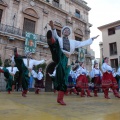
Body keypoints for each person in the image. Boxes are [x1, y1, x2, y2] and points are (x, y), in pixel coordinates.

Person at [47, 20, 99, 105]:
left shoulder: (73, 42)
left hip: (66, 59)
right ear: (63, 32)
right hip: (59, 54)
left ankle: (60, 98)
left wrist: (91, 39)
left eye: (68, 30)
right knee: (56, 43)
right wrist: (53, 27)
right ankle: (50, 40)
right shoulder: (60, 39)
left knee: (64, 79)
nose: (66, 31)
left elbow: (83, 43)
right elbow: (56, 35)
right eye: (65, 30)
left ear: (69, 33)